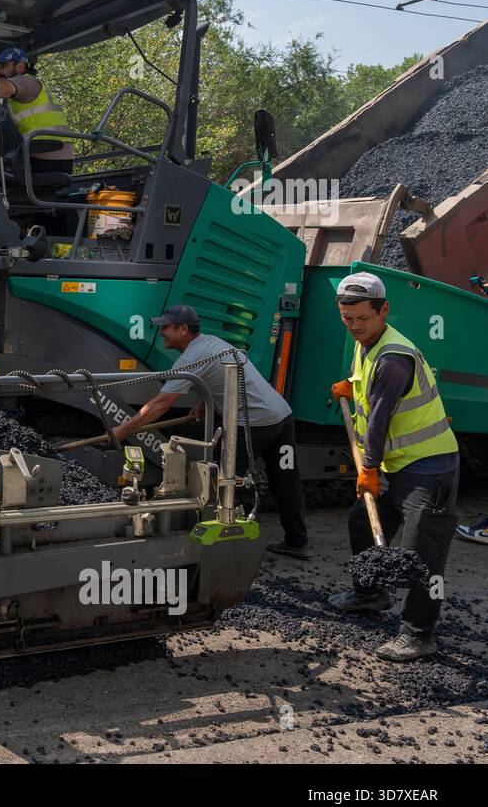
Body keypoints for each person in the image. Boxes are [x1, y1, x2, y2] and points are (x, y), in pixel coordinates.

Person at [326, 271, 460, 662]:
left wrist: (368, 470)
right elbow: (369, 385)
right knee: (360, 522)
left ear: (384, 310)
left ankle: (419, 634)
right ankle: (371, 592)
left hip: (429, 468)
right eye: (346, 318)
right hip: (399, 465)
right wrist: (353, 384)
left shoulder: (393, 359)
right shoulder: (367, 342)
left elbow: (381, 420)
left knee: (422, 554)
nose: (353, 326)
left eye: (362, 319)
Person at [111, 304, 310, 558]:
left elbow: (161, 404)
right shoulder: (212, 343)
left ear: (183, 329)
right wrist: (204, 401)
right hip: (281, 416)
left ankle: (218, 545)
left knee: (218, 482)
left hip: (253, 423)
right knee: (286, 481)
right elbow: (223, 376)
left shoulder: (192, 357)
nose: (162, 333)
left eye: (166, 328)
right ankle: (297, 540)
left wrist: (121, 430)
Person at [0, 46, 76, 175]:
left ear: (20, 66)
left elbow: (2, 89)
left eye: (3, 66)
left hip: (48, 157)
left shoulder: (26, 82)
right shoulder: (17, 89)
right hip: (42, 154)